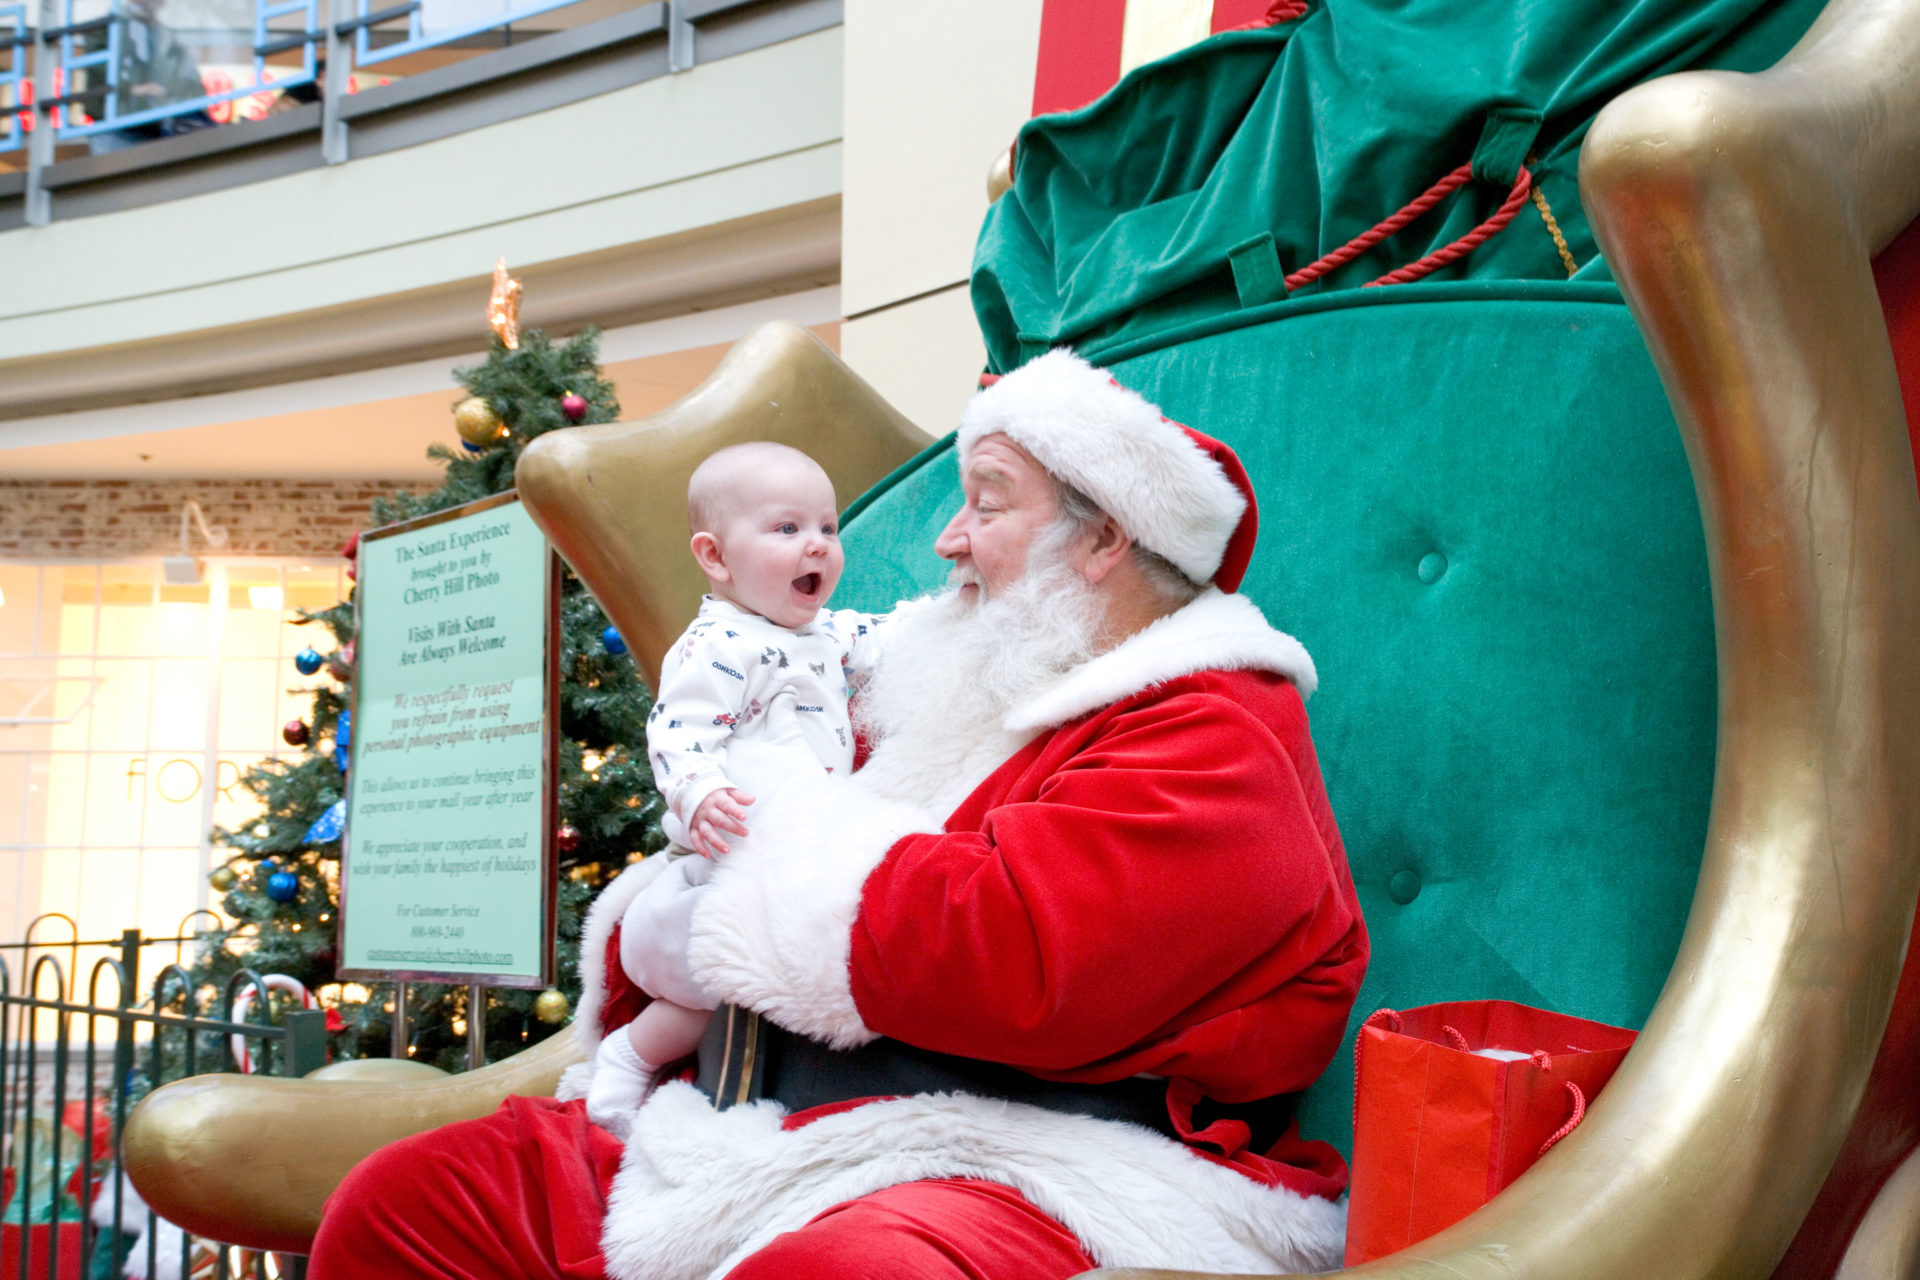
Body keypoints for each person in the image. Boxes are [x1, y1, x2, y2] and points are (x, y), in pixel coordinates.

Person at [310, 349, 1369, 1280]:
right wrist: (665, 923)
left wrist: (755, 843)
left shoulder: (1212, 725)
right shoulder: (950, 688)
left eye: (989, 503)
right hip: (745, 1122)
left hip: (1024, 1159)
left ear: (1105, 542)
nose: (949, 540)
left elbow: (1012, 953)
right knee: (414, 1205)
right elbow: (733, 856)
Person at [586, 442, 881, 1132]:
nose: (817, 546)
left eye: (827, 529)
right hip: (722, 863)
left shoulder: (828, 633)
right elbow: (678, 733)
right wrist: (699, 793)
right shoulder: (718, 645)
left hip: (791, 853)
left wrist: (956, 610)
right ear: (715, 557)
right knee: (704, 991)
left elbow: (892, 638)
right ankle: (627, 1059)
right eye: (787, 529)